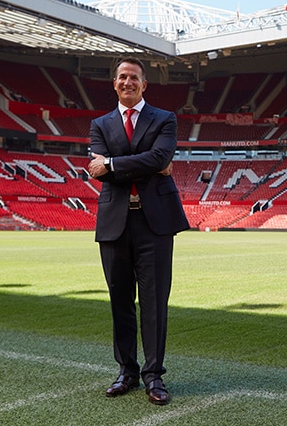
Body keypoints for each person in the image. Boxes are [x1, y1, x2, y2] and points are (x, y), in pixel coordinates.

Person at [88, 57, 189, 406]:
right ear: (114, 84)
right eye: (121, 77)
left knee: (154, 302)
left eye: (134, 77)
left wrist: (113, 163)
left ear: (144, 84)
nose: (127, 82)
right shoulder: (99, 124)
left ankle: (154, 376)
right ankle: (126, 372)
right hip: (115, 222)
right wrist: (148, 163)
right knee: (120, 302)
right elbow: (99, 170)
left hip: (155, 223)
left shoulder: (165, 118)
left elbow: (159, 159)